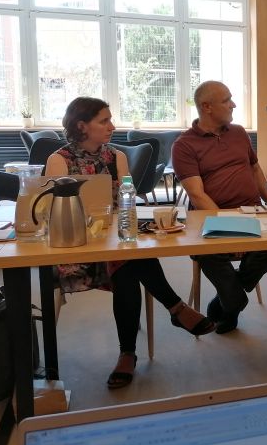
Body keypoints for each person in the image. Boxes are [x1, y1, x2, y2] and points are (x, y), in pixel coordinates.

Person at [45, 97, 214, 389]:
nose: (112, 126)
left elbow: (126, 203)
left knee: (127, 258)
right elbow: (54, 212)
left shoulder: (115, 157)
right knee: (128, 261)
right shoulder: (59, 160)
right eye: (104, 121)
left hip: (113, 240)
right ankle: (175, 309)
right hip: (78, 246)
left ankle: (128, 353)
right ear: (82, 126)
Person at [172, 81, 267, 334]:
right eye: (227, 100)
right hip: (209, 219)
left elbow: (255, 169)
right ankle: (234, 303)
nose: (233, 104)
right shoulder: (184, 145)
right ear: (206, 107)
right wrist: (230, 228)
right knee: (209, 253)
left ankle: (227, 301)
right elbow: (197, 194)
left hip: (252, 213)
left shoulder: (239, 133)